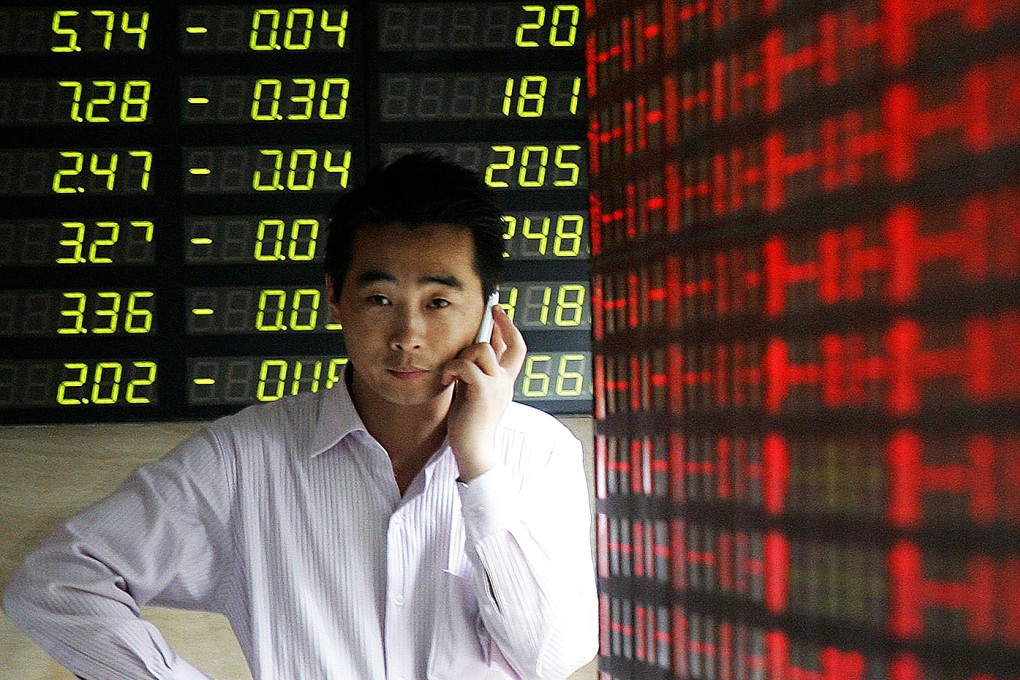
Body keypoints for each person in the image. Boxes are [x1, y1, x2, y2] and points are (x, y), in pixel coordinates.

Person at [3, 153, 599, 679]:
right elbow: (55, 583)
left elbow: (550, 657)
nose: (408, 335)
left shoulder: (538, 453)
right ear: (335, 297)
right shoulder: (244, 458)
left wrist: (479, 466)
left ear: (489, 312)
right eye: (379, 299)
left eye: (439, 302)